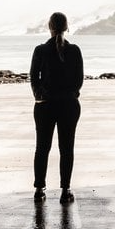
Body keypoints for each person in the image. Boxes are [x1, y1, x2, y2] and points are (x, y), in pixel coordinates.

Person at [30, 12, 84, 203]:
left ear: (49, 27)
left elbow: (33, 78)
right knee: (66, 148)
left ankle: (39, 190)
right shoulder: (75, 50)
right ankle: (65, 190)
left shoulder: (40, 50)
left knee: (42, 148)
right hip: (69, 105)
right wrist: (70, 95)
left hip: (45, 106)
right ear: (67, 27)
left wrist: (40, 96)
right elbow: (79, 81)